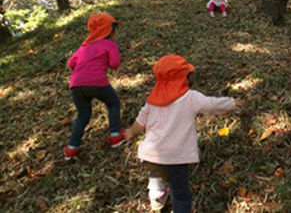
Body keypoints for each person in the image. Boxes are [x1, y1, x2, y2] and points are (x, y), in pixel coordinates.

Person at [124, 54, 239, 212]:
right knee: (181, 196)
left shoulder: (152, 100)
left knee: (158, 174)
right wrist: (232, 103)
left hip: (150, 155)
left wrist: (131, 131)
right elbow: (212, 104)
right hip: (175, 159)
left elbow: (141, 121)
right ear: (185, 78)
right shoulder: (190, 98)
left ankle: (157, 197)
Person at [64, 13, 125, 160]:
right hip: (97, 82)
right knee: (113, 103)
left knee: (83, 115)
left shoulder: (84, 46)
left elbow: (71, 63)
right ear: (110, 30)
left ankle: (72, 148)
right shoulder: (110, 44)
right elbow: (114, 64)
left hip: (76, 85)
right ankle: (115, 135)